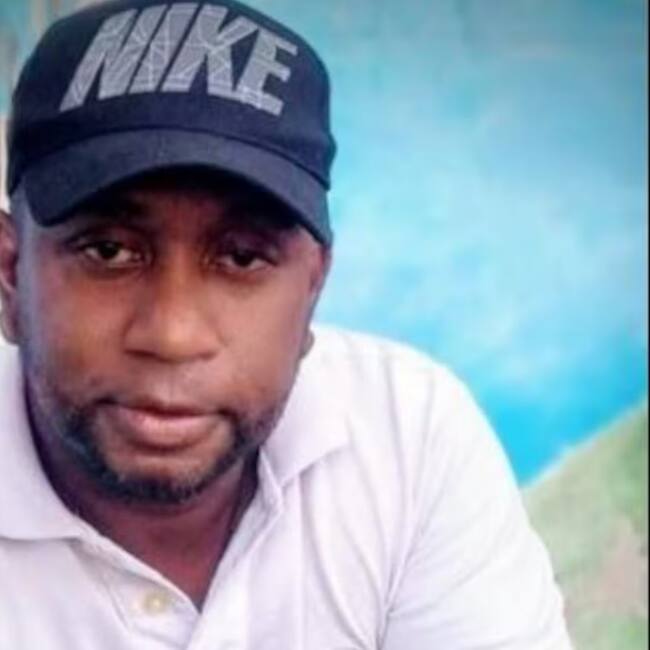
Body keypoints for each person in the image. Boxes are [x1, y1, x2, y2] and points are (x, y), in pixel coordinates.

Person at [0, 0, 573, 648]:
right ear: (11, 273)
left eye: (243, 257)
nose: (173, 335)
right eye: (109, 251)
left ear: (312, 289)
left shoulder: (406, 440)